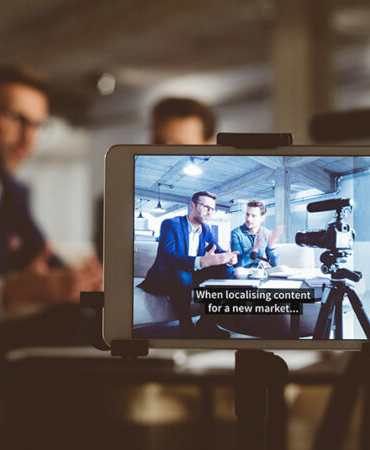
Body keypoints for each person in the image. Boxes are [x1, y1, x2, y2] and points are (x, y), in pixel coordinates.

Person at [0, 64, 102, 360]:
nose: (28, 139)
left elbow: (47, 260)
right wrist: (9, 292)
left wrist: (80, 282)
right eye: (15, 118)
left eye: (37, 125)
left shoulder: (11, 196)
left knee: (82, 324)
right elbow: (16, 290)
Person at [94, 97, 217, 261]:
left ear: (209, 145)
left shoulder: (205, 229)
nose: (164, 151)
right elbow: (106, 263)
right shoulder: (113, 199)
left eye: (181, 145)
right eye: (159, 142)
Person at [139, 191, 238, 337]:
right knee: (183, 275)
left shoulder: (206, 229)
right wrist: (201, 261)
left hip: (190, 275)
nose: (209, 212)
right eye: (206, 207)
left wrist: (229, 258)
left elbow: (217, 250)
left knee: (226, 271)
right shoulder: (171, 224)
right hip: (165, 276)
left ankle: (207, 322)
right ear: (192, 205)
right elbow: (168, 257)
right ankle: (186, 326)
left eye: (212, 209)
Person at [231, 200, 281, 268]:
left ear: (262, 218)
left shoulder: (267, 233)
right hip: (241, 274)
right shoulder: (236, 233)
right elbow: (236, 263)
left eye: (253, 216)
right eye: (247, 214)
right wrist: (255, 248)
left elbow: (275, 264)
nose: (249, 219)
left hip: (259, 273)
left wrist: (272, 248)